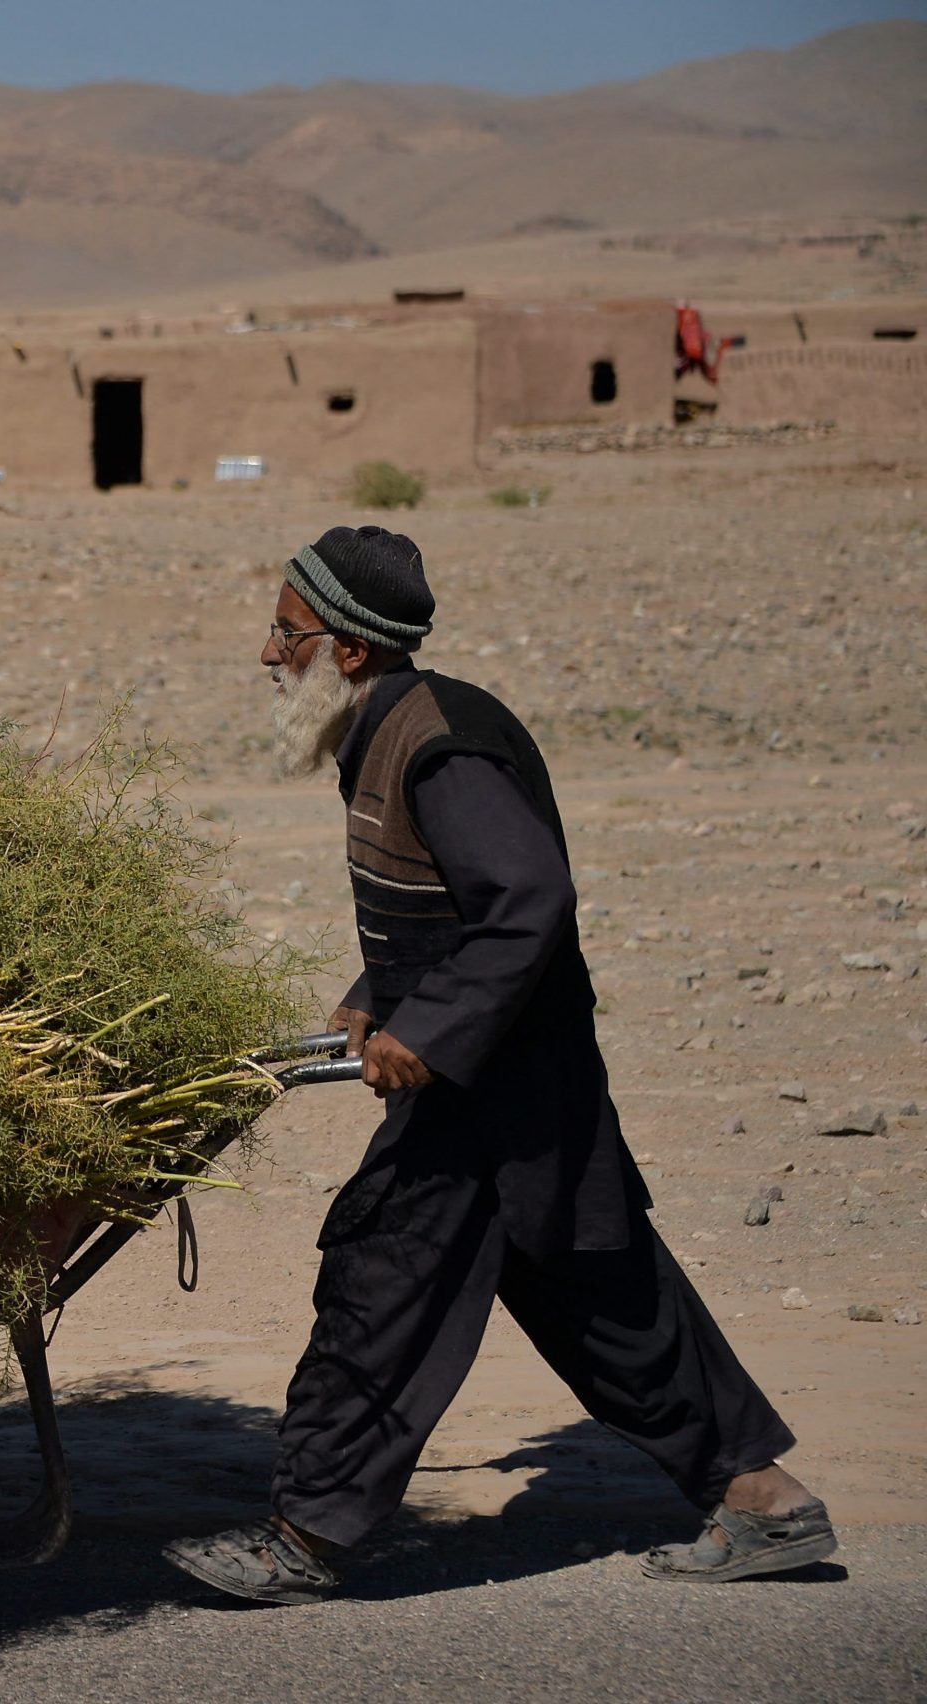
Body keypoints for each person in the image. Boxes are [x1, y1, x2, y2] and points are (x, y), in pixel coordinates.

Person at [163, 524, 834, 1605]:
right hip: (517, 1081)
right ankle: (765, 1499)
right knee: (600, 1295)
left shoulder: (439, 743)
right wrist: (373, 997)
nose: (264, 654)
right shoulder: (378, 727)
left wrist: (424, 1034)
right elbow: (447, 908)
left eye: (283, 633)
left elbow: (525, 903)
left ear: (345, 649)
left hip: (493, 1087)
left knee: (380, 1289)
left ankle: (303, 1536)